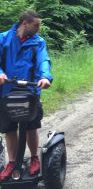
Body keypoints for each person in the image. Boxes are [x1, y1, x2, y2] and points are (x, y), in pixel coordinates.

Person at [0, 11, 52, 180]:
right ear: (24, 23)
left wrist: (45, 76)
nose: (38, 28)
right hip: (7, 91)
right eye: (36, 25)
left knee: (31, 126)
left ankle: (35, 158)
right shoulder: (4, 38)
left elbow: (43, 60)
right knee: (9, 128)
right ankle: (12, 162)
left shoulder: (38, 42)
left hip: (30, 91)